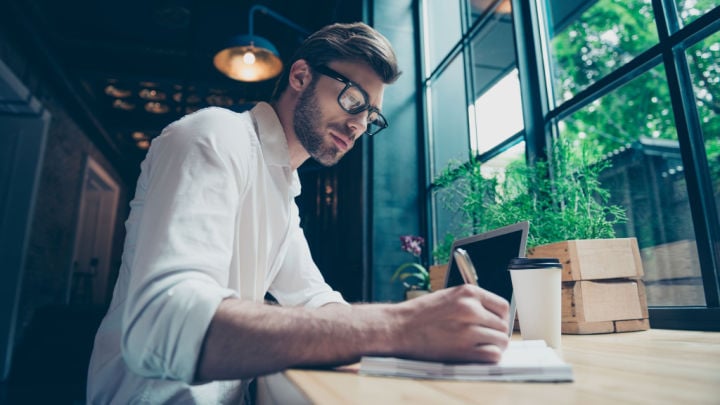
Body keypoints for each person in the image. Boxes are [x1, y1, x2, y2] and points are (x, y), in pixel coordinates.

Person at [86, 22, 510, 404]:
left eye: (371, 114)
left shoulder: (282, 189)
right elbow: (163, 323)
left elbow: (314, 297)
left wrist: (419, 337)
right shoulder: (213, 136)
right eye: (353, 98)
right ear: (301, 76)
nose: (360, 124)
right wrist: (397, 325)